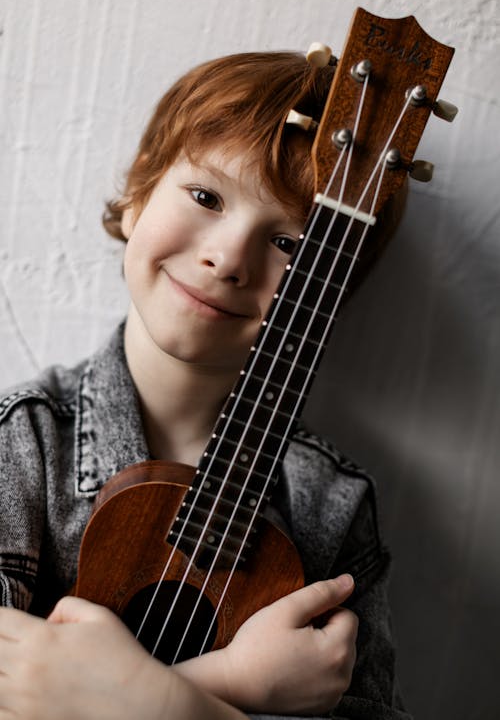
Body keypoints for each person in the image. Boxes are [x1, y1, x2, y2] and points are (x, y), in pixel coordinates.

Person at [0, 51, 411, 719]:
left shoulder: (330, 506)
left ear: (328, 290)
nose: (228, 259)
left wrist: (153, 701)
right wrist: (223, 690)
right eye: (206, 197)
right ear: (137, 197)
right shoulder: (23, 444)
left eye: (288, 245)